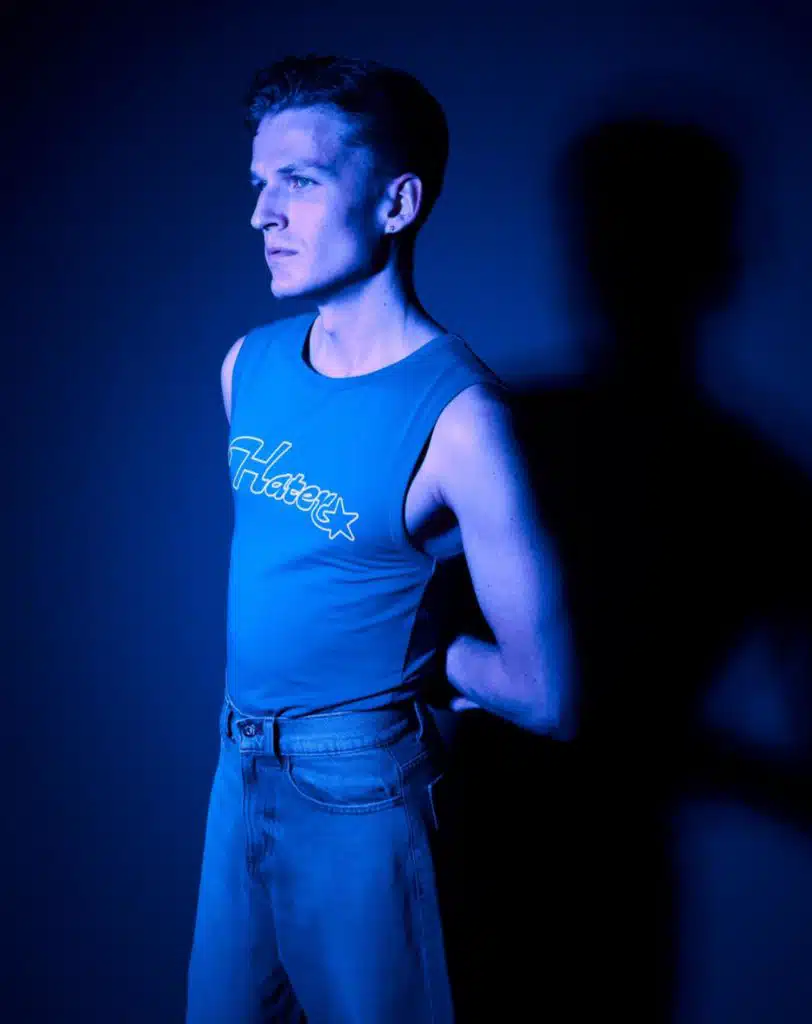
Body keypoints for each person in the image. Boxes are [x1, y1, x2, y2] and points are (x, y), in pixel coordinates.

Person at [185, 54, 578, 1023]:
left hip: (357, 792)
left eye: (300, 182)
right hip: (237, 769)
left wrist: (428, 655)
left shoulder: (463, 421)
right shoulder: (247, 367)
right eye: (259, 184)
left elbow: (548, 692)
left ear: (397, 203)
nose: (262, 214)